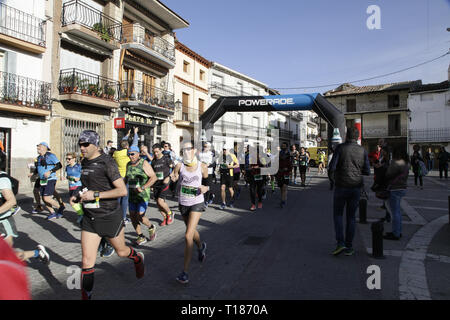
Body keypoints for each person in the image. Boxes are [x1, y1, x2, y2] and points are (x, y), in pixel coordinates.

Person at [69, 130, 145, 300]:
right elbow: (88, 183)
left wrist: (95, 195)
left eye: (85, 144)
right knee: (87, 261)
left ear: (95, 145)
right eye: (80, 144)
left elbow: (122, 190)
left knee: (122, 252)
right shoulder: (85, 161)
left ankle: (137, 258)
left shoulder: (107, 162)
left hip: (109, 216)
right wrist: (77, 194)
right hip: (90, 217)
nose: (82, 148)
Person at [1, 151, 50, 267]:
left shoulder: (2, 180)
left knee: (6, 257)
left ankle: (37, 253)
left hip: (3, 224)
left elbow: (11, 201)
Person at [328, 127, 370, 256]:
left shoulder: (340, 148)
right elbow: (367, 171)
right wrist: (357, 170)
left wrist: (333, 180)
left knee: (338, 215)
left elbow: (332, 167)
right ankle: (349, 246)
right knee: (351, 217)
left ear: (346, 135)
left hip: (341, 186)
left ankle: (340, 243)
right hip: (356, 187)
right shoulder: (363, 150)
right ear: (357, 137)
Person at [171, 140, 208, 284]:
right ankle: (201, 246)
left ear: (194, 150)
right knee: (191, 231)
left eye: (188, 149)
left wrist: (206, 188)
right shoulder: (179, 165)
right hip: (183, 202)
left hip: (197, 202)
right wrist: (172, 178)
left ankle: (185, 272)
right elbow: (174, 177)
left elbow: (207, 181)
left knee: (187, 236)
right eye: (183, 149)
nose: (186, 151)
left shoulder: (202, 166)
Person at [126, 146, 158, 245]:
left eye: (132, 154)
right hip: (131, 194)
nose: (130, 156)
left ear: (138, 153)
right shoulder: (128, 164)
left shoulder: (144, 163)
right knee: (132, 216)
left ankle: (151, 226)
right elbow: (126, 178)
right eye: (129, 154)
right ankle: (140, 236)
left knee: (140, 216)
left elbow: (154, 177)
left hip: (142, 194)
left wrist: (143, 187)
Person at [113, 127, 139, 224]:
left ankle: (117, 216)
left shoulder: (116, 153)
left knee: (118, 198)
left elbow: (122, 142)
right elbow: (135, 143)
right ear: (127, 147)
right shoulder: (127, 153)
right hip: (126, 178)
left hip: (118, 177)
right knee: (125, 198)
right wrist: (135, 133)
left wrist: (127, 135)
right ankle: (123, 218)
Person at [34, 142, 65, 220]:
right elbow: (38, 168)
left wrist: (50, 172)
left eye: (39, 146)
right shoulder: (38, 158)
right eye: (37, 147)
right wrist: (33, 173)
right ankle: (52, 213)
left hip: (50, 178)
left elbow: (59, 165)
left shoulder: (51, 155)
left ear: (45, 147)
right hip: (42, 180)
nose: (38, 148)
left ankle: (60, 207)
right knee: (44, 197)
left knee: (46, 197)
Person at [383, 149, 409, 240]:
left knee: (394, 213)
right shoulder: (405, 163)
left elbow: (388, 174)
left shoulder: (396, 162)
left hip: (394, 188)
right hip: (402, 188)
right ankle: (398, 231)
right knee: (397, 212)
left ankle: (395, 233)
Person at [151, 143, 174, 226]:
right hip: (156, 184)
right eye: (154, 152)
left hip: (165, 182)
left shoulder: (166, 158)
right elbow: (152, 174)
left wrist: (169, 177)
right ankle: (165, 217)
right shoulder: (153, 161)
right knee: (158, 203)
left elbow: (174, 169)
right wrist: (151, 185)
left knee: (161, 201)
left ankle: (170, 213)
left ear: (161, 150)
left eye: (157, 152)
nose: (156, 154)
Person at [218, 145, 239, 209]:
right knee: (222, 188)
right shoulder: (221, 156)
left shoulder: (233, 156)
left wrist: (230, 167)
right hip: (223, 174)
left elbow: (237, 165)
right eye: (223, 149)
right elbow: (220, 164)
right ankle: (223, 203)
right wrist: (219, 169)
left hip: (230, 174)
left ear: (228, 149)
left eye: (225, 149)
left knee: (230, 189)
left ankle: (232, 202)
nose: (224, 151)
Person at [246, 145, 266, 211]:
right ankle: (253, 204)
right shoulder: (251, 158)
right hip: (252, 176)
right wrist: (250, 168)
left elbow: (265, 167)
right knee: (252, 190)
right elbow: (249, 166)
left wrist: (258, 167)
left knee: (259, 191)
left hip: (260, 176)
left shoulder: (262, 158)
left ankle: (260, 201)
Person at [275, 143, 292, 208]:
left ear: (286, 147)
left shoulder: (288, 155)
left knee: (284, 187)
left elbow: (290, 164)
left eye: (284, 146)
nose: (283, 147)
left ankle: (283, 200)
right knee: (281, 188)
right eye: (282, 146)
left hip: (286, 173)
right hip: (280, 173)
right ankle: (283, 197)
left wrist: (288, 169)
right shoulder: (278, 154)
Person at [198, 142, 215, 206]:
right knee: (201, 186)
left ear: (209, 147)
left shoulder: (211, 154)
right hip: (201, 172)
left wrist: (209, 165)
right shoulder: (200, 154)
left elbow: (214, 164)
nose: (205, 148)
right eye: (204, 146)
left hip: (209, 172)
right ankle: (208, 197)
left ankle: (206, 201)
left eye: (206, 146)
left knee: (207, 186)